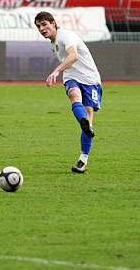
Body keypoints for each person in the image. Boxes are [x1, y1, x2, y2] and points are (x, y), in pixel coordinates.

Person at [34, 11, 102, 173]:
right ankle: (84, 123)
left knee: (88, 117)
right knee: (73, 94)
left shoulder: (65, 36)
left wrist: (56, 72)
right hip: (72, 76)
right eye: (38, 26)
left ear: (53, 23)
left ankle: (82, 160)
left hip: (90, 78)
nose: (41, 28)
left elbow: (74, 56)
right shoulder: (54, 44)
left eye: (44, 24)